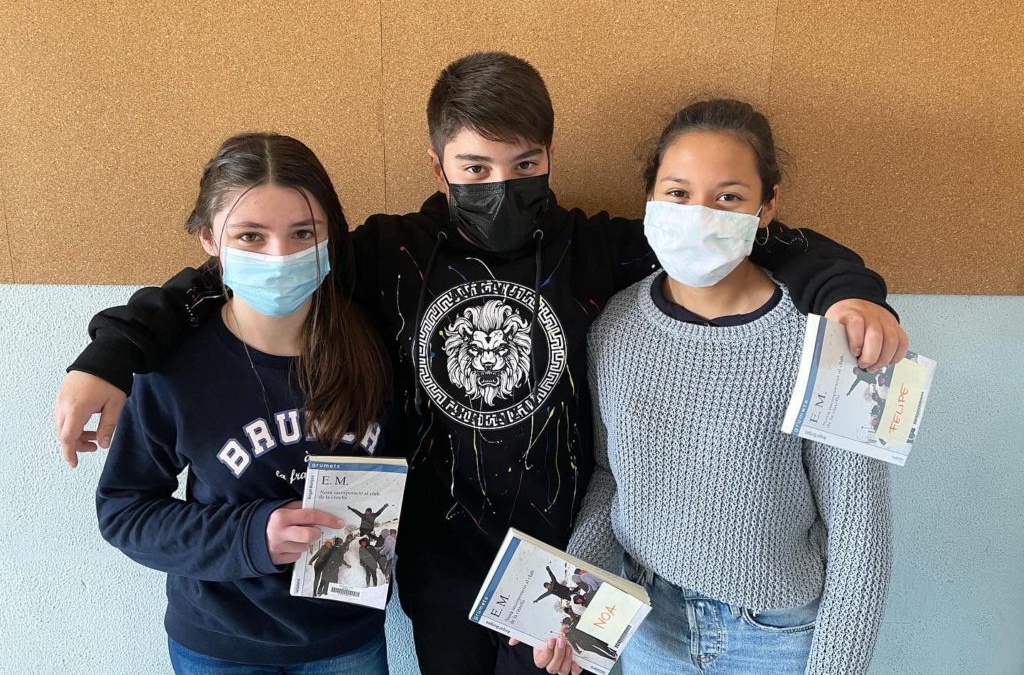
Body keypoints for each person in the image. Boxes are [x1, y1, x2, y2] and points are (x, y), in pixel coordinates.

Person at [59, 53, 907, 675]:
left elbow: (748, 240)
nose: (501, 185)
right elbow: (243, 269)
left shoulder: (600, 248)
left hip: (569, 550)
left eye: (525, 165)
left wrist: (850, 291)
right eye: (475, 168)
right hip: (440, 555)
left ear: (550, 158)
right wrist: (113, 351)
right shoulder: (384, 252)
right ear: (439, 166)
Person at [534, 99, 893, 675]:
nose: (699, 214)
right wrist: (576, 607)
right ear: (650, 197)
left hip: (778, 637)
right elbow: (610, 476)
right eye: (678, 193)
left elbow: (860, 529)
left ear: (767, 206)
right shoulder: (614, 326)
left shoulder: (833, 342)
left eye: (728, 197)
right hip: (648, 622)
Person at [95, 133, 391, 674]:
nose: (280, 256)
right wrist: (252, 535)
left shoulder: (376, 346)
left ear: (331, 236)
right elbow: (125, 510)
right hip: (221, 642)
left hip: (346, 640)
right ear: (210, 239)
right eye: (250, 235)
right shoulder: (175, 369)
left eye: (303, 233)